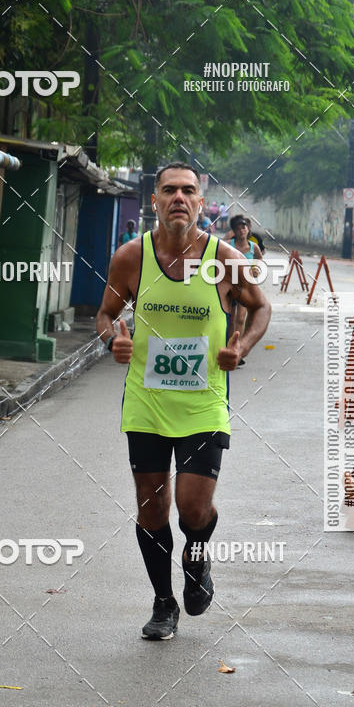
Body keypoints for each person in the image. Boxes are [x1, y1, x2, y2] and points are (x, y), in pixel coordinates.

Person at [96, 162, 271, 639]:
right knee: (152, 508)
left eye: (188, 191)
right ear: (154, 199)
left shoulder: (225, 258)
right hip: (147, 403)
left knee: (193, 509)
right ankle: (162, 602)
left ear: (201, 201)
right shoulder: (131, 257)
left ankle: (197, 566)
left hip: (204, 403)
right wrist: (114, 340)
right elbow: (107, 314)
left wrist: (242, 348)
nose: (178, 197)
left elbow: (260, 307)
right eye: (169, 190)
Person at [224, 216, 264, 365]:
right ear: (234, 231)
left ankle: (237, 352)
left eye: (244, 227)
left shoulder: (254, 248)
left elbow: (259, 259)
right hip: (230, 286)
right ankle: (229, 347)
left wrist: (256, 268)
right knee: (230, 317)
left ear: (248, 229)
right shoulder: (229, 245)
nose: (241, 230)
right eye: (238, 228)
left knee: (241, 318)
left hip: (246, 287)